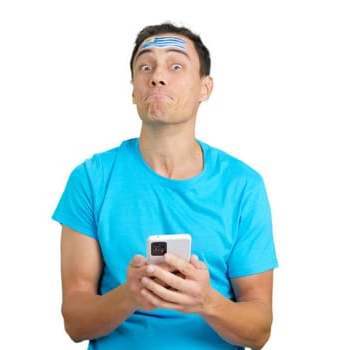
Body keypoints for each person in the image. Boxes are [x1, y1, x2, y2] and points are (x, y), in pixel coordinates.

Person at [52, 22, 278, 350]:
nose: (158, 76)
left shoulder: (243, 187)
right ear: (133, 89)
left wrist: (206, 302)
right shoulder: (91, 178)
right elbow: (75, 321)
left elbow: (259, 331)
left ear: (205, 87)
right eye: (146, 67)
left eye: (176, 65)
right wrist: (129, 296)